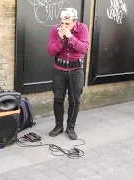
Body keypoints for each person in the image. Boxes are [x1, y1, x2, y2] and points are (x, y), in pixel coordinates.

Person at [47, 8, 89, 140]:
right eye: (62, 23)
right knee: (58, 99)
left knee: (74, 100)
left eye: (67, 24)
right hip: (59, 70)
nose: (64, 26)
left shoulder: (82, 28)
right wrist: (60, 39)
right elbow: (51, 51)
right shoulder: (55, 30)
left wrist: (71, 37)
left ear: (74, 22)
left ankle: (70, 127)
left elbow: (84, 49)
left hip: (76, 70)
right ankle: (58, 126)